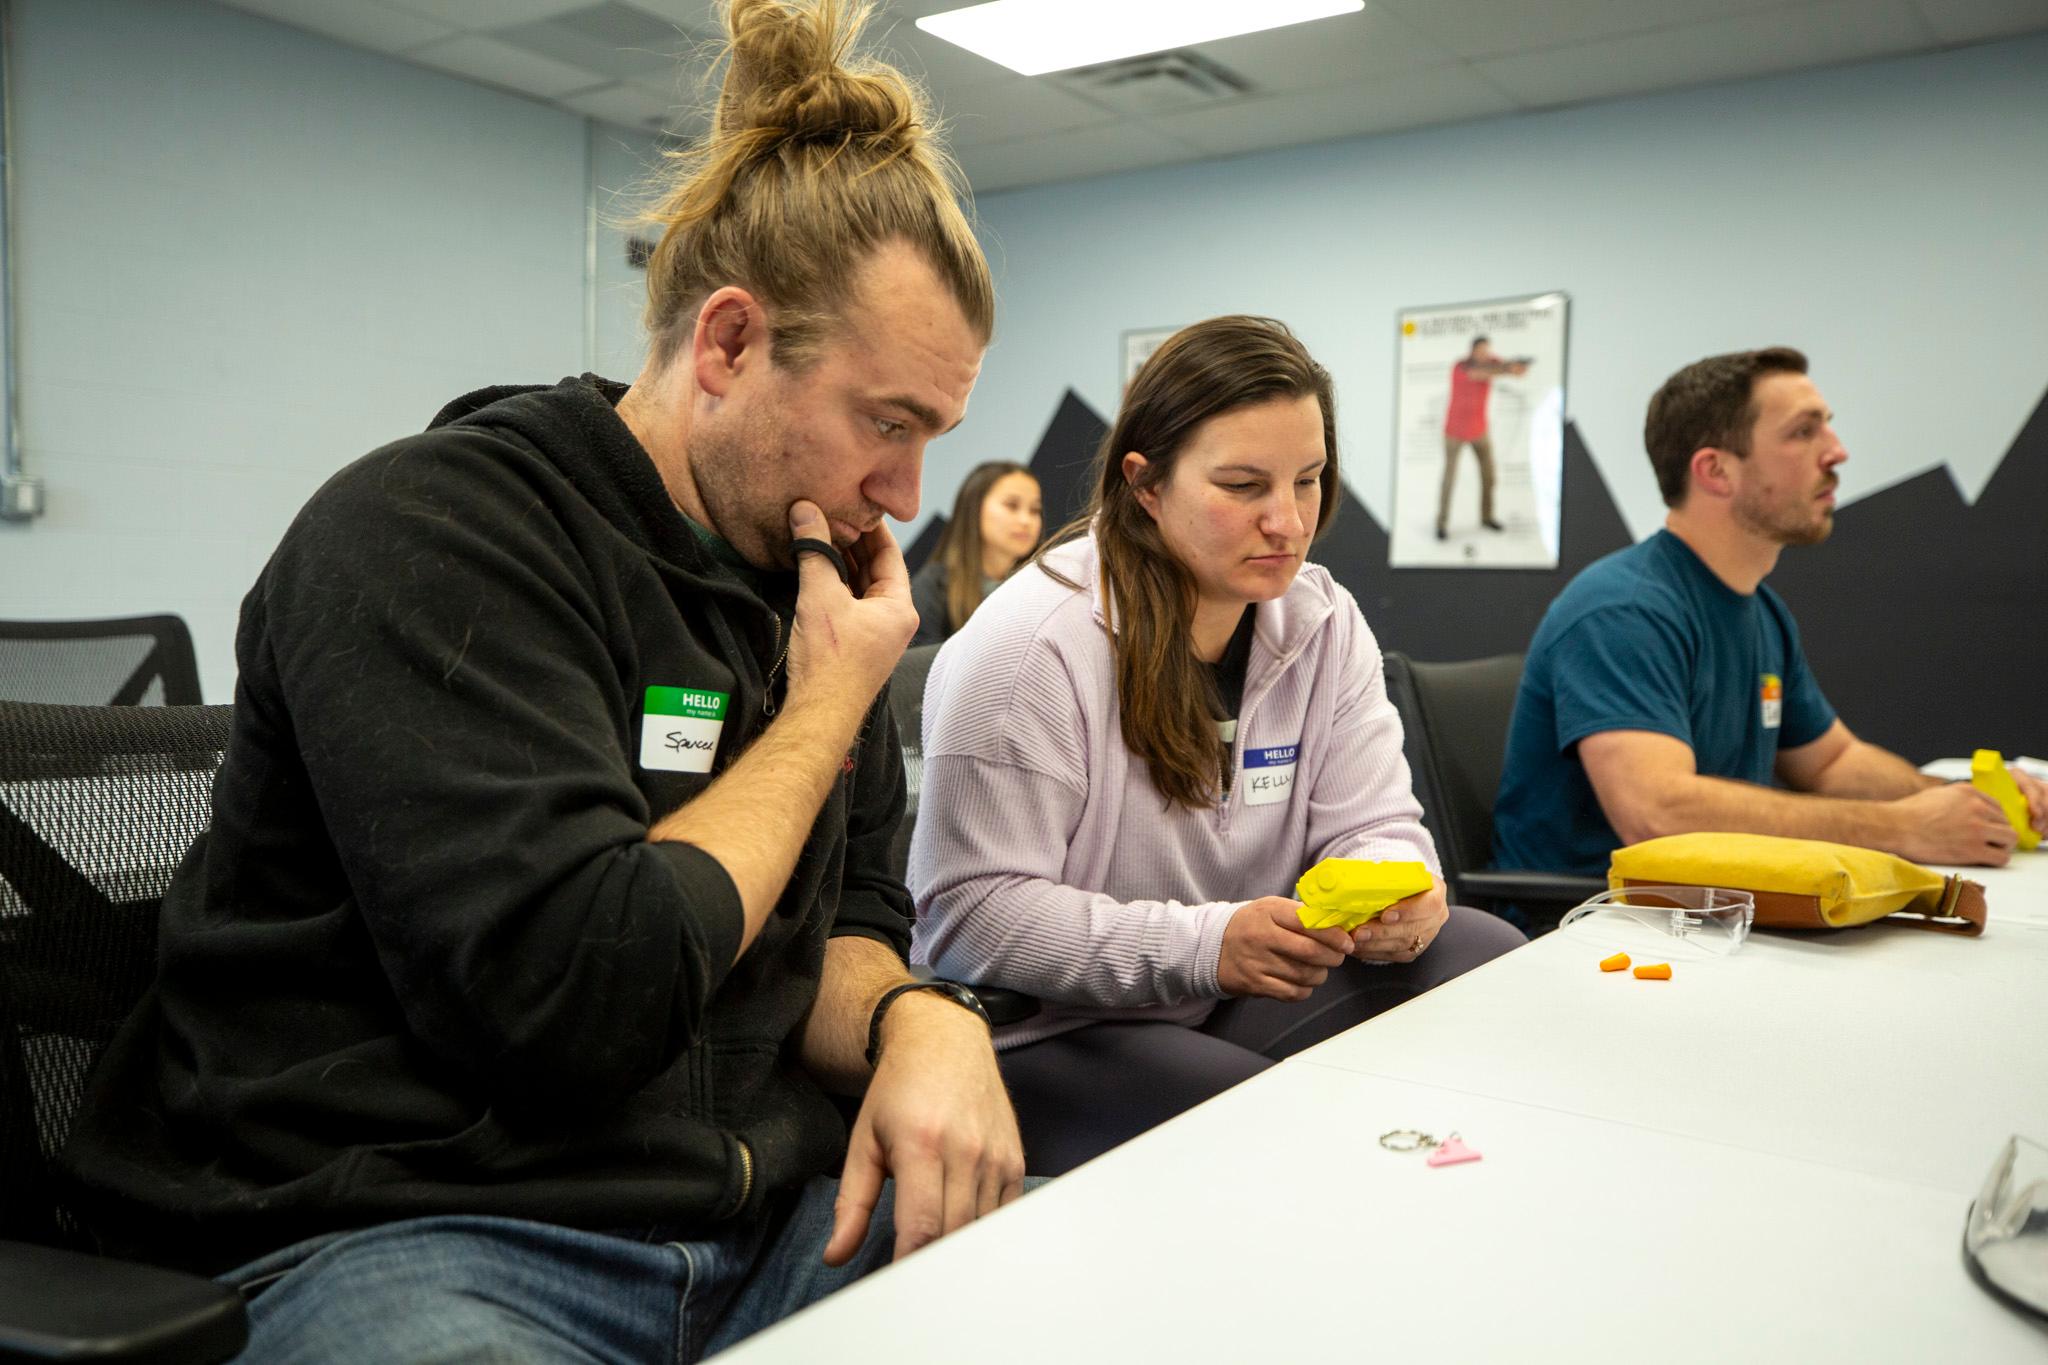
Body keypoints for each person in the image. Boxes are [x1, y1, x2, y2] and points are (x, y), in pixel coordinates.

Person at [59, 2, 1024, 1358]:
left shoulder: (798, 590)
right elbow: (580, 997)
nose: (909, 496)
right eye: (887, 424)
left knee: (1089, 1291)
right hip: (421, 1235)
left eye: (935, 436)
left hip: (745, 1229)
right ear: (730, 346)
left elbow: (842, 931)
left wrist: (923, 1020)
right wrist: (820, 709)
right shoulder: (432, 535)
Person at [907, 316, 1525, 1176]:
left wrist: (1399, 891)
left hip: (1220, 997)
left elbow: (1379, 822)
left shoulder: (1321, 620)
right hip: (1045, 1032)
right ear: (1145, 484)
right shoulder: (1030, 648)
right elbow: (973, 918)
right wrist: (1208, 944)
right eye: (1242, 485)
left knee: (1482, 953)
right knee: (1272, 1126)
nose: (1288, 521)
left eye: (1308, 480)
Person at [1492, 345, 2046, 879]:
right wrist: (1900, 827)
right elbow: (1659, 814)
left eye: (1826, 426)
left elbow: (1833, 763)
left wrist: (1962, 803)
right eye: (1804, 432)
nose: (1837, 451)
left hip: (1708, 914)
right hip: (1589, 932)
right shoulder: (1622, 609)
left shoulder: (1760, 609)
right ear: (1716, 472)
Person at [910, 460, 1043, 645]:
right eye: (1012, 505)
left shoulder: (1041, 592)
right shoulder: (933, 587)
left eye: (1035, 510)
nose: (1025, 520)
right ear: (974, 508)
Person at [1436, 335, 1529, 540]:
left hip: (1479, 431)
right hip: (1454, 432)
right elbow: (1477, 374)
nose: (1484, 355)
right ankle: (1441, 523)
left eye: (1487, 351)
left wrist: (1515, 368)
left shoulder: (1492, 362)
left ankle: (1486, 517)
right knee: (1449, 479)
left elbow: (1508, 369)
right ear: (1472, 351)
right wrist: (1505, 369)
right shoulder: (1460, 367)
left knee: (1489, 476)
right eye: (1481, 351)